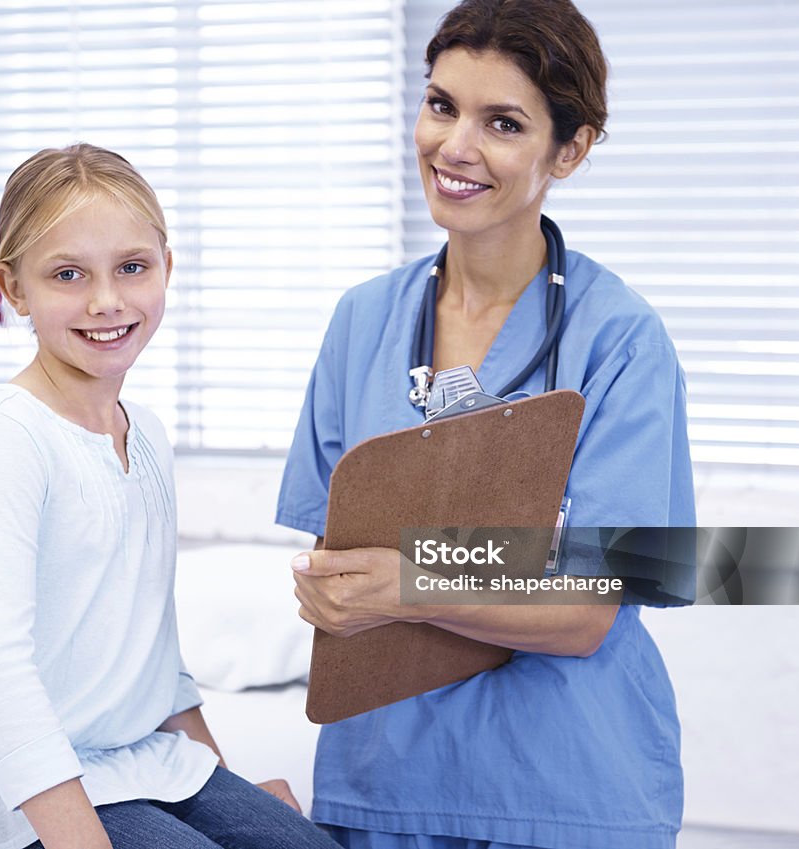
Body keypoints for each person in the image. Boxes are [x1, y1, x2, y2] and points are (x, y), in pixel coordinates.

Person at [276, 2, 695, 849]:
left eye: (502, 122)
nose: (455, 147)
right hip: (381, 787)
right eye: (441, 105)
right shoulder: (363, 322)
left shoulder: (621, 340)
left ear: (568, 150)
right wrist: (328, 588)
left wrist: (409, 580)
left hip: (566, 791)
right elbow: (338, 556)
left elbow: (588, 609)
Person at [0, 144, 342, 849]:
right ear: (14, 288)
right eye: (68, 274)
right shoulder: (7, 443)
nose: (107, 300)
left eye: (132, 267)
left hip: (130, 759)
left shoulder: (145, 434)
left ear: (166, 268)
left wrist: (227, 787)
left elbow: (156, 662)